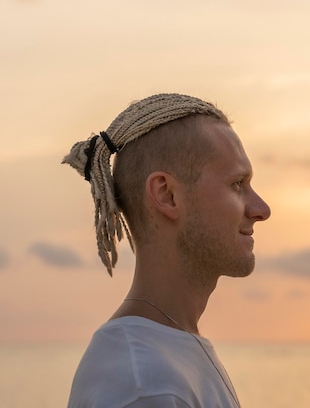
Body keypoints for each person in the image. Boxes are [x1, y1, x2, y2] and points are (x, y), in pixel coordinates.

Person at [62, 93, 271, 408]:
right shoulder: (143, 385)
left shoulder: (167, 356)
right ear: (167, 195)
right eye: (237, 184)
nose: (261, 209)